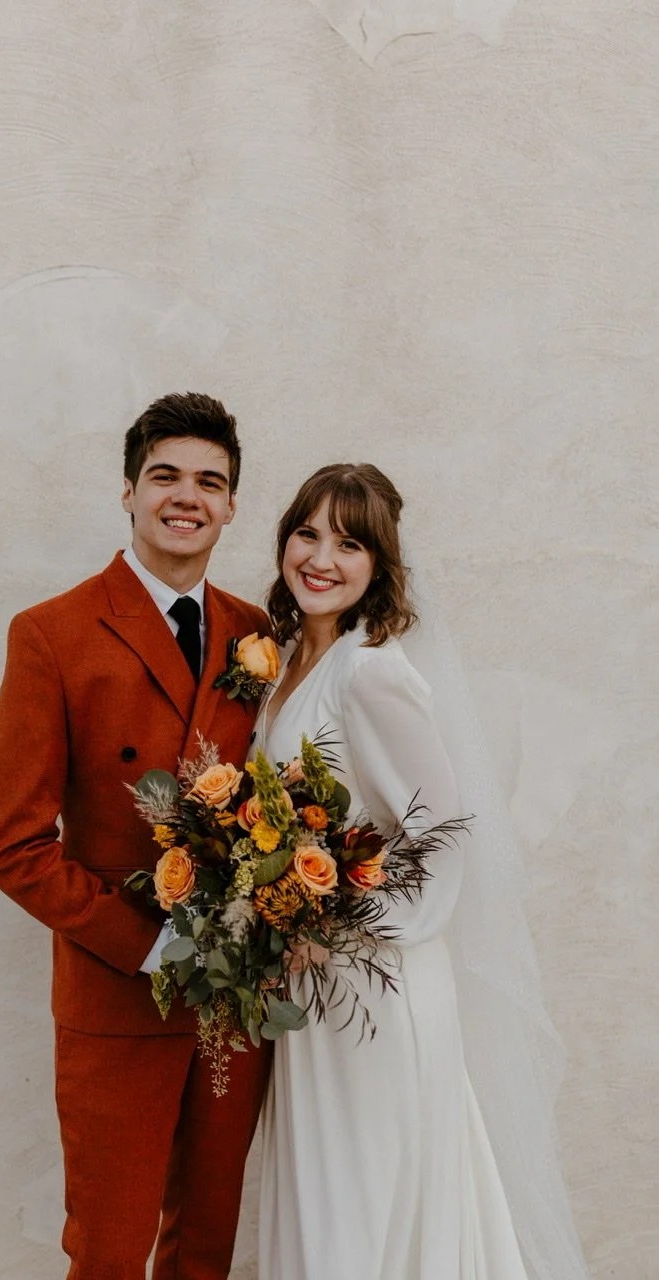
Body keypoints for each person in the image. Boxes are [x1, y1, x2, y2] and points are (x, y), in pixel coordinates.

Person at [254, 463, 589, 1280]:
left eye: (349, 542)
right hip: (315, 992)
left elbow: (441, 830)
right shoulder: (292, 663)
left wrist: (331, 925)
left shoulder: (369, 671)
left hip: (371, 985)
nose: (321, 557)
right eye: (308, 532)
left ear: (379, 566)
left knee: (368, 1195)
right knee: (329, 1191)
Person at [0, 392, 272, 1280]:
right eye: (165, 477)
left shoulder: (256, 633)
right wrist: (149, 944)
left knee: (207, 1245)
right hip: (117, 993)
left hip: (233, 1002)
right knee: (108, 1249)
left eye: (209, 482)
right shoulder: (51, 633)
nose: (186, 497)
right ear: (128, 491)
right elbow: (12, 845)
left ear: (230, 505)